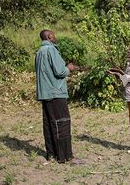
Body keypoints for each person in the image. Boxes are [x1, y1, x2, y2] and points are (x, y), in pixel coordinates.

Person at [35, 29, 82, 165]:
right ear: (49, 37)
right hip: (56, 93)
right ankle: (66, 156)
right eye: (53, 35)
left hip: (45, 94)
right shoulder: (51, 50)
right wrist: (69, 68)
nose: (55, 37)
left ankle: (51, 154)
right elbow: (60, 71)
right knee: (62, 122)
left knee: (49, 124)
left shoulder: (39, 52)